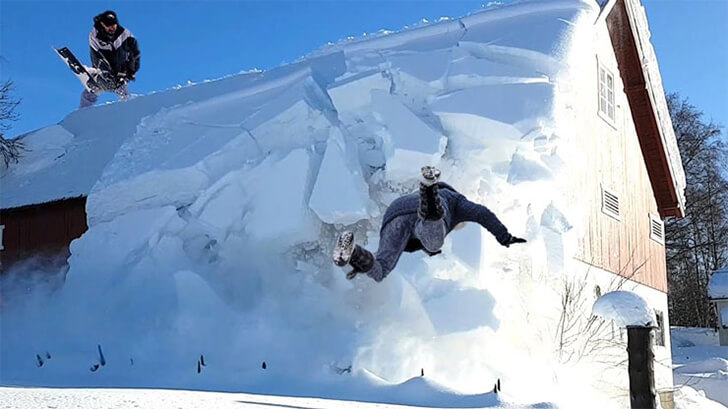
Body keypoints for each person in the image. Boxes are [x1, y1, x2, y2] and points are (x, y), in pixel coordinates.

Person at [333, 166, 527, 282]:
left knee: (380, 271)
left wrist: (360, 264)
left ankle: (352, 253)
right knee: (434, 240)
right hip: (422, 212)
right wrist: (504, 237)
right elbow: (481, 213)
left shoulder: (445, 207)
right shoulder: (457, 201)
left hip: (395, 214)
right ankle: (429, 192)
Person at [80, 10, 140, 108]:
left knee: (125, 94)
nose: (112, 28)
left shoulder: (125, 34)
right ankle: (82, 113)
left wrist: (130, 72)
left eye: (114, 25)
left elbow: (135, 54)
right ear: (102, 24)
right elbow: (97, 56)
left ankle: (128, 110)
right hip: (102, 72)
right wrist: (104, 72)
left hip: (119, 74)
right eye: (108, 26)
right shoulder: (95, 35)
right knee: (90, 93)